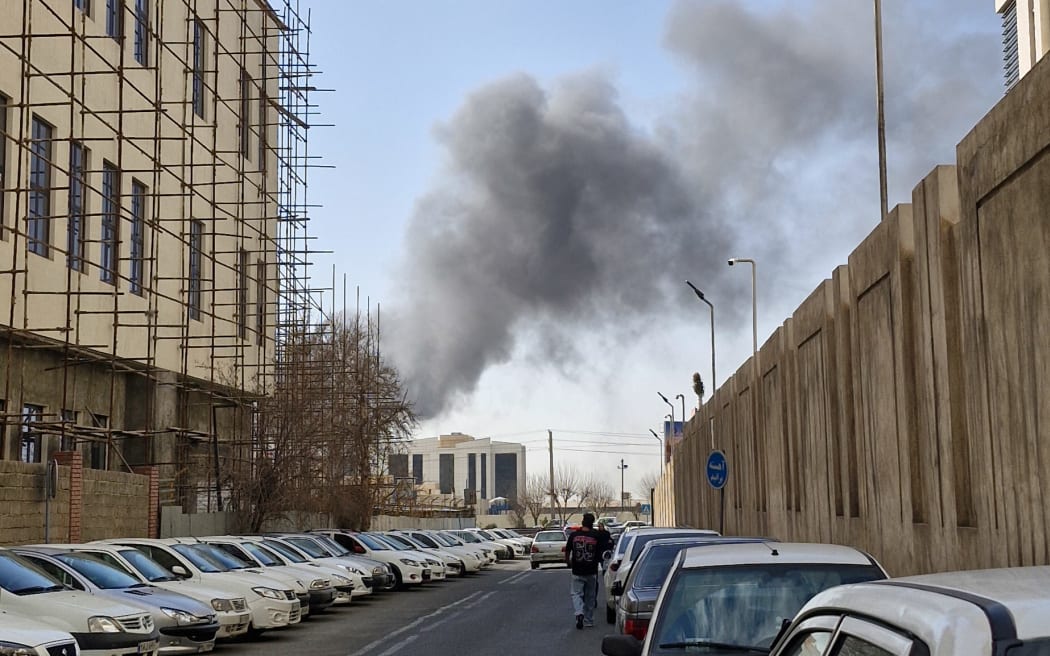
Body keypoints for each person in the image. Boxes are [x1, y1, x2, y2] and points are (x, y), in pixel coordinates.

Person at [565, 512, 612, 629]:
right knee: (590, 596)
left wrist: (568, 562)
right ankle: (588, 620)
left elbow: (567, 550)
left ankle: (579, 612)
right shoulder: (596, 536)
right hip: (591, 571)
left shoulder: (574, 536)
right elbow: (602, 552)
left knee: (576, 593)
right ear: (592, 523)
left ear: (582, 522)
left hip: (577, 570)